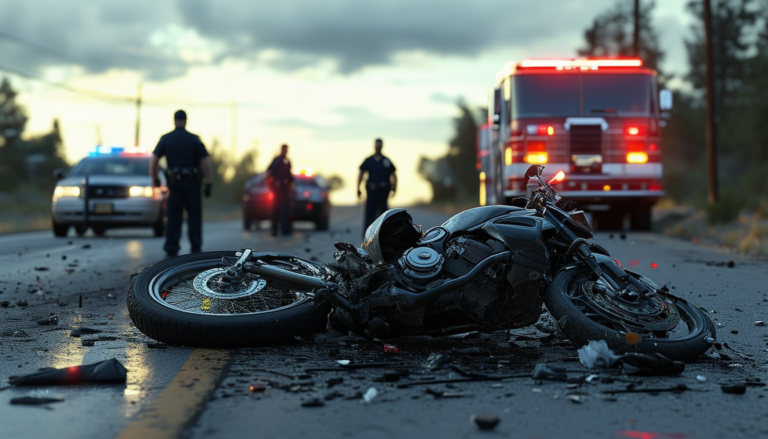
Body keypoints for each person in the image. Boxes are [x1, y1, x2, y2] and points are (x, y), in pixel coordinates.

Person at [149, 109, 212, 257]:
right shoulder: (194, 139)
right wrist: (209, 183)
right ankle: (196, 249)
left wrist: (155, 179)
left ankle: (172, 248)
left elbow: (154, 161)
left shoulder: (166, 138)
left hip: (174, 185)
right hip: (192, 185)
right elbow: (205, 163)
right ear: (186, 120)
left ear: (174, 120)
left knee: (173, 217)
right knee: (194, 217)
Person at [357, 138, 397, 234]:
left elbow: (394, 175)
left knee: (384, 216)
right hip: (371, 193)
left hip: (383, 192)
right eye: (376, 145)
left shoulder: (386, 160)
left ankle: (385, 237)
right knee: (369, 216)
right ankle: (366, 237)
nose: (378, 147)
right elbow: (361, 173)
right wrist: (358, 188)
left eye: (380, 145)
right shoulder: (369, 160)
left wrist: (394, 187)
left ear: (382, 146)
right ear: (374, 146)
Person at [266, 144, 294, 236]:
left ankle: (284, 229)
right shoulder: (277, 160)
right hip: (277, 189)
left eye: (286, 150)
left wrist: (292, 186)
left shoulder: (288, 161)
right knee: (275, 209)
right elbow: (268, 172)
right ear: (281, 150)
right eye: (283, 149)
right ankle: (274, 229)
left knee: (285, 209)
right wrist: (271, 185)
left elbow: (289, 176)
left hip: (285, 188)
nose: (285, 151)